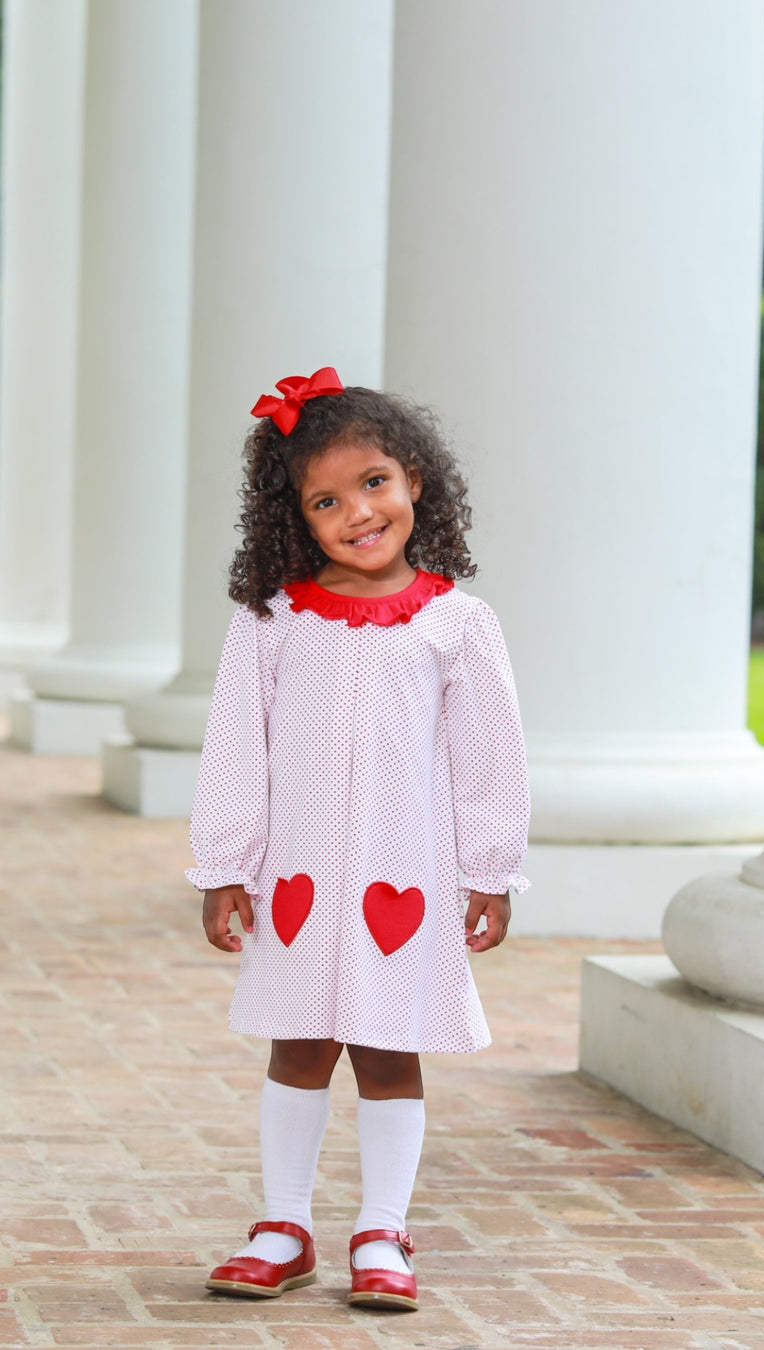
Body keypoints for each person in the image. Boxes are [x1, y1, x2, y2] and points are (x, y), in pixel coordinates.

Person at [187, 368, 530, 1312]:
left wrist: (491, 869)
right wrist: (225, 866)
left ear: (414, 476)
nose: (358, 513)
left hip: (403, 877)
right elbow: (236, 747)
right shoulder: (272, 622)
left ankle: (382, 1228)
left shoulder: (458, 625)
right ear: (297, 517)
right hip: (297, 876)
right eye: (326, 501)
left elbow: (489, 756)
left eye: (374, 483)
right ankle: (283, 1225)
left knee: (385, 1050)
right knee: (298, 1045)